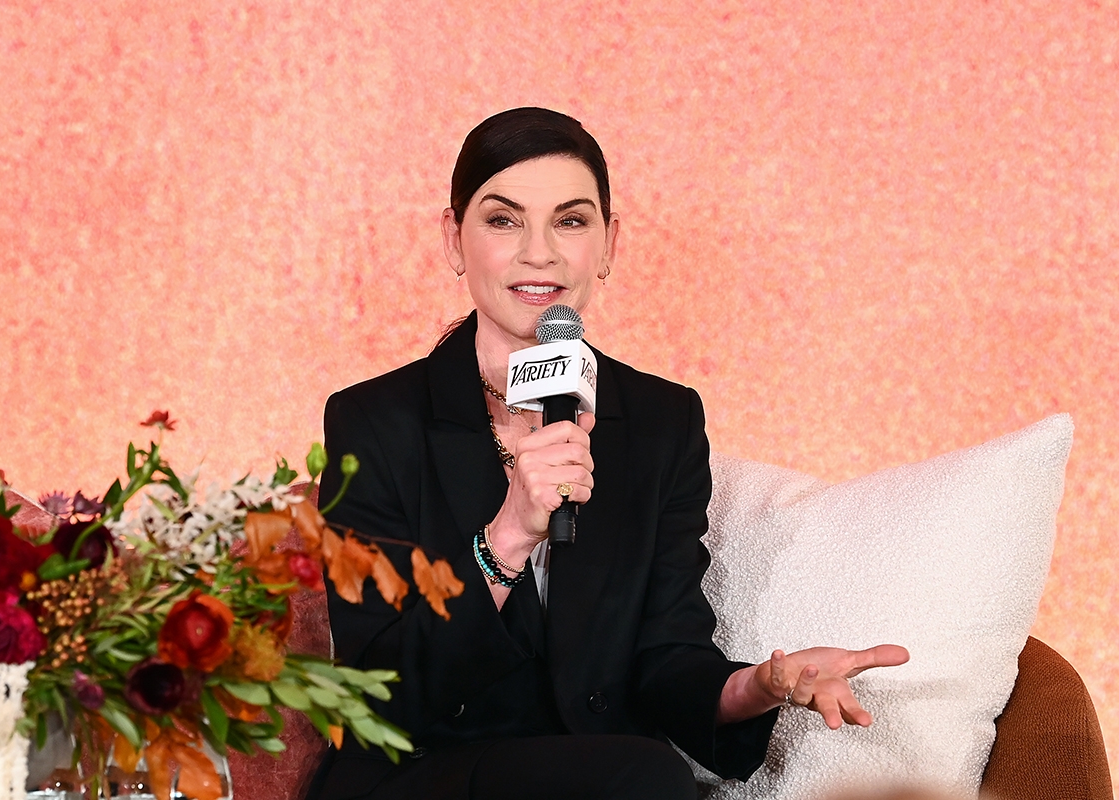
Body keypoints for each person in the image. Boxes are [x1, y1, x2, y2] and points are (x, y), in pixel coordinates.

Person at [308, 107, 909, 800]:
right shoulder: (375, 420)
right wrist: (505, 540)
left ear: (609, 243)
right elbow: (375, 694)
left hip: (599, 776)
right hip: (425, 774)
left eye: (570, 220)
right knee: (644, 775)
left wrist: (761, 686)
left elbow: (666, 657)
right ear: (453, 240)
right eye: (503, 220)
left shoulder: (659, 421)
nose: (541, 252)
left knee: (642, 774)